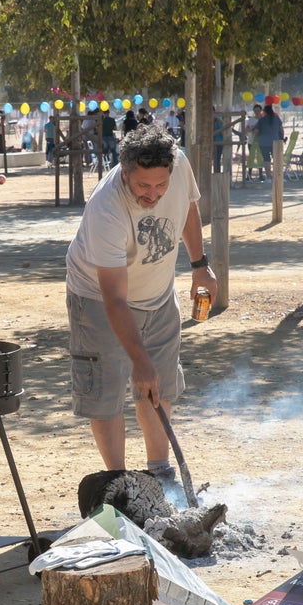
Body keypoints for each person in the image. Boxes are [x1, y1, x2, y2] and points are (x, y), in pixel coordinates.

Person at [64, 124, 217, 485]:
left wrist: (199, 265)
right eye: (143, 186)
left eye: (160, 185)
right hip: (99, 298)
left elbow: (187, 209)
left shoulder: (177, 165)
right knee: (106, 392)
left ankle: (160, 473)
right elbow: (114, 299)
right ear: (126, 172)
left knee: (160, 386)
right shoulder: (106, 209)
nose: (153, 194)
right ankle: (118, 482)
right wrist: (139, 361)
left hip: (159, 293)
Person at [255, 104, 284, 180]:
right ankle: (278, 175)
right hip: (275, 141)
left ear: (264, 112)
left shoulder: (261, 120)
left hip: (263, 143)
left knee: (266, 159)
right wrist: (281, 138)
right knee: (276, 159)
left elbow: (256, 131)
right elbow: (281, 130)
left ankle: (269, 176)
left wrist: (259, 136)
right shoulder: (276, 118)